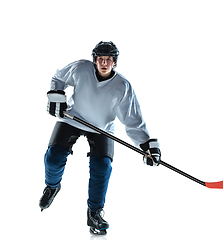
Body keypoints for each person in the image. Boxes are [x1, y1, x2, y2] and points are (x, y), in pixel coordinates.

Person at [39, 41, 161, 235]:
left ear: (115, 62)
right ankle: (52, 186)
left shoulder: (122, 86)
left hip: (102, 128)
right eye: (101, 59)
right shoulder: (80, 68)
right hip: (73, 118)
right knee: (53, 157)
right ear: (94, 60)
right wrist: (56, 95)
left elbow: (133, 120)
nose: (104, 63)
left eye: (109, 60)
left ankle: (94, 212)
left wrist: (146, 145)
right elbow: (58, 78)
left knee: (102, 168)